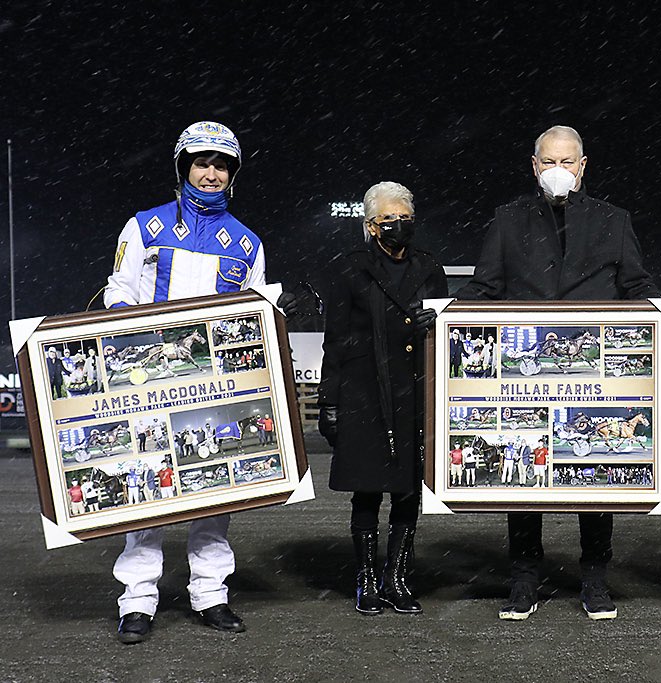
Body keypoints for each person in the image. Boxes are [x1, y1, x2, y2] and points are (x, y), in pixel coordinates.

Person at [456, 125, 661, 621]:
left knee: (594, 477)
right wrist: (446, 317)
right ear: (534, 166)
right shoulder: (507, 219)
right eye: (548, 161)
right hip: (523, 377)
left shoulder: (614, 220)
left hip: (595, 375)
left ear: (582, 167)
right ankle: (523, 580)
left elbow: (636, 285)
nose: (558, 170)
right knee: (524, 480)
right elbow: (484, 288)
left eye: (568, 161)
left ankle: (595, 578)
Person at [103, 121, 295, 644]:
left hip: (217, 391)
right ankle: (137, 600)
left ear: (232, 175)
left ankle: (210, 594)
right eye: (201, 163)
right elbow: (118, 290)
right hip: (147, 385)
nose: (210, 173)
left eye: (221, 165)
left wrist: (275, 313)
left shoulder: (248, 241)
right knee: (147, 494)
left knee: (215, 492)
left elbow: (253, 315)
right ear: (183, 167)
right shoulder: (144, 225)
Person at [317, 181, 446, 615]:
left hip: (415, 392)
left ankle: (397, 578)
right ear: (371, 225)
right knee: (367, 493)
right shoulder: (349, 268)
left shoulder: (429, 267)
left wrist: (435, 324)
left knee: (408, 493)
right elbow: (334, 341)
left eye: (405, 219)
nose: (398, 226)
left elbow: (450, 336)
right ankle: (367, 580)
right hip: (363, 393)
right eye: (389, 220)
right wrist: (329, 403)